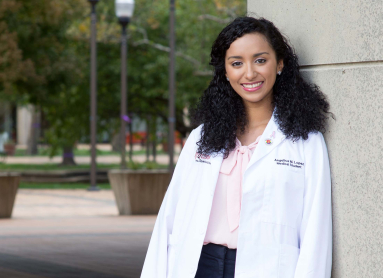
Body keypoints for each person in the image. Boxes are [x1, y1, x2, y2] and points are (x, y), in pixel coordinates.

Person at [141, 16, 332, 278]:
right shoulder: (201, 138)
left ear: (280, 64)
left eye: (260, 60)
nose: (249, 73)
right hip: (200, 266)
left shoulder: (305, 142)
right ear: (226, 71)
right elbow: (169, 220)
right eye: (237, 63)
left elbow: (316, 231)